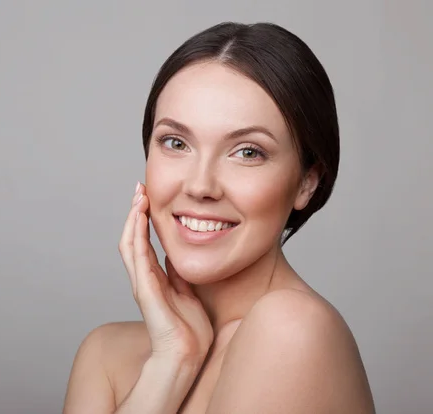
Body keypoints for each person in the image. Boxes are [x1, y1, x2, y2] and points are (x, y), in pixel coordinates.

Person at [63, 21, 375, 414]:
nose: (199, 185)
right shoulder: (104, 355)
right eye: (176, 142)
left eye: (247, 152)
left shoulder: (292, 330)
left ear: (306, 183)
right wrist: (171, 363)